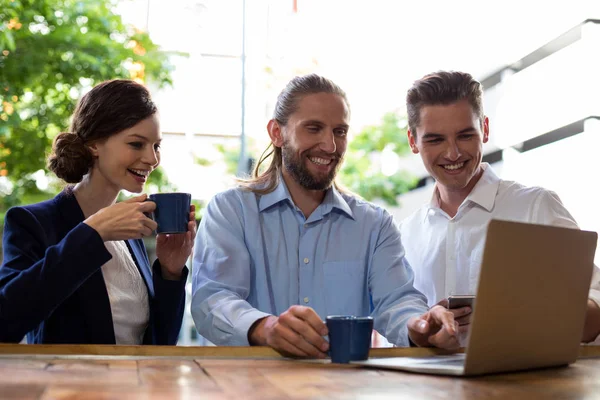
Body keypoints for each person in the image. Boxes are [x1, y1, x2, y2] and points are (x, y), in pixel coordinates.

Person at [192, 74, 465, 358]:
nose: (330, 146)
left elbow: (397, 301)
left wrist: (420, 325)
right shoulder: (231, 211)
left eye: (340, 131)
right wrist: (265, 327)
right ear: (277, 133)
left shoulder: (374, 224)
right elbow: (212, 299)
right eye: (313, 128)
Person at [399, 70, 600, 342]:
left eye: (465, 135)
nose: (453, 153)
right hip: (430, 384)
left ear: (485, 129)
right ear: (413, 141)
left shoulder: (535, 207)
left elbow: (594, 307)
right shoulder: (407, 233)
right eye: (436, 140)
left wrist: (531, 313)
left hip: (522, 383)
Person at [0, 79, 196, 344]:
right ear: (94, 144)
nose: (152, 159)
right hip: (69, 384)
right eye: (137, 144)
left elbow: (159, 344)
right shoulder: (32, 222)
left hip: (137, 384)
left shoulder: (130, 236)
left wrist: (170, 273)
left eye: (156, 145)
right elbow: (6, 320)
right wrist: (91, 234)